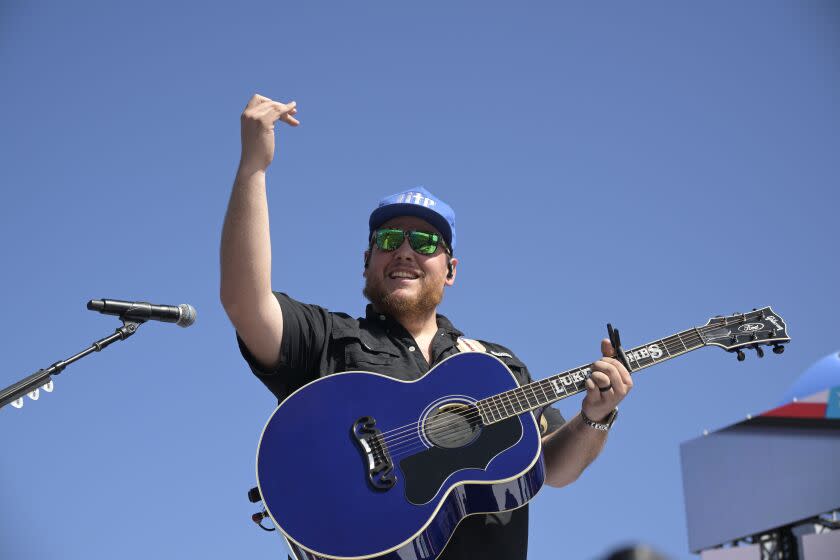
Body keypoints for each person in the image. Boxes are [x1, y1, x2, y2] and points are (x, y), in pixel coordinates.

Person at [220, 94, 634, 560]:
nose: (405, 251)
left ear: (450, 269)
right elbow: (243, 298)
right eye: (390, 240)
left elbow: (555, 468)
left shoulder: (494, 364)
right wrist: (253, 167)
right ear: (367, 261)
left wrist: (595, 417)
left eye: (424, 242)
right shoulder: (328, 339)